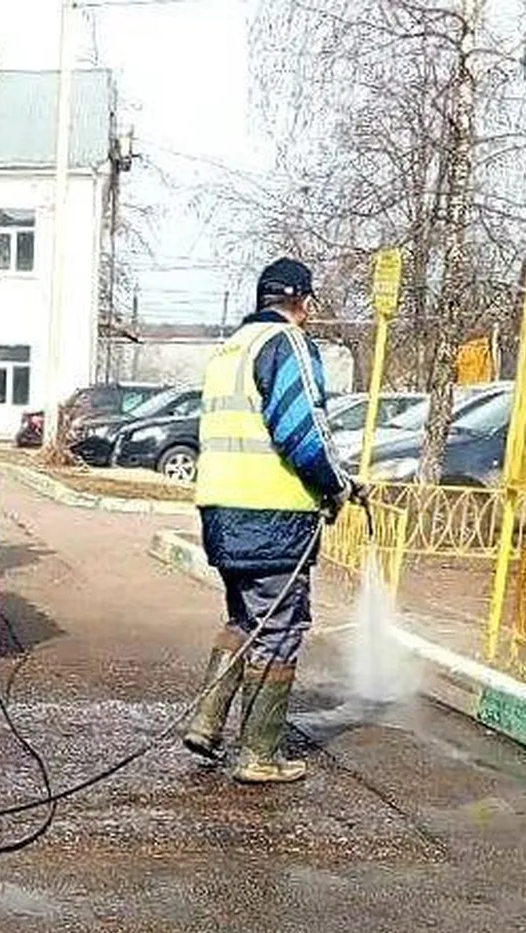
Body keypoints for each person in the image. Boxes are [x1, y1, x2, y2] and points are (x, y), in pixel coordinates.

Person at [182, 258, 362, 784]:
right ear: (302, 302)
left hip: (221, 512)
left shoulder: (229, 351)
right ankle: (259, 754)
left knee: (244, 618)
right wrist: (336, 485)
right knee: (279, 629)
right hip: (274, 516)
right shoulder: (288, 346)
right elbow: (303, 432)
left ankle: (207, 722)